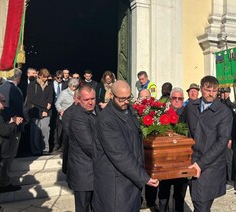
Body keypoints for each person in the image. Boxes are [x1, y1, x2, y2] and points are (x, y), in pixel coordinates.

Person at [93, 80, 159, 211]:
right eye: (122, 99)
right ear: (112, 96)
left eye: (128, 97)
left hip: (130, 179)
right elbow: (120, 155)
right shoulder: (107, 120)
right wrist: (143, 177)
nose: (126, 102)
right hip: (117, 185)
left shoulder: (129, 110)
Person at [184, 76, 233, 212]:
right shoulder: (190, 107)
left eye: (214, 90)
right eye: (208, 89)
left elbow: (222, 141)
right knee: (198, 202)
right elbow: (181, 127)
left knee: (201, 203)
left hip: (210, 166)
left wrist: (201, 164)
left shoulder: (224, 112)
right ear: (201, 89)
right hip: (191, 161)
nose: (211, 93)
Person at [157, 87, 189, 212]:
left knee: (179, 194)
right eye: (174, 98)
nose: (176, 101)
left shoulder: (188, 113)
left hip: (181, 160)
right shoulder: (162, 114)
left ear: (183, 100)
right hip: (166, 160)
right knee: (164, 193)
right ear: (170, 99)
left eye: (179, 98)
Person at [68, 85, 98, 212]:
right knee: (83, 207)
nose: (90, 102)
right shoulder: (78, 117)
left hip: (95, 171)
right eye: (86, 99)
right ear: (79, 100)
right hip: (84, 173)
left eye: (93, 98)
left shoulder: (95, 111)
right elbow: (90, 146)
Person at [0, 68, 24, 193]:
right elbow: (19, 110)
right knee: (9, 154)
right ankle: (4, 182)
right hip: (13, 126)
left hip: (0, 125)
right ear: (18, 78)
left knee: (1, 154)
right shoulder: (16, 90)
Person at [25, 68, 54, 156]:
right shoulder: (32, 85)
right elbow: (32, 99)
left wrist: (45, 110)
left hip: (46, 112)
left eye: (47, 77)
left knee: (45, 130)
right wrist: (44, 106)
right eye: (44, 77)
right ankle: (36, 150)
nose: (45, 79)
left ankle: (45, 149)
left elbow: (50, 98)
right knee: (35, 132)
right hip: (35, 111)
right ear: (40, 76)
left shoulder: (49, 85)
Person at [54, 78, 79, 152]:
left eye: (76, 86)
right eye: (73, 86)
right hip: (66, 116)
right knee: (66, 133)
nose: (74, 88)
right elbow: (57, 103)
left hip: (76, 116)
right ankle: (64, 147)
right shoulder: (64, 93)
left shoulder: (78, 92)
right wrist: (61, 110)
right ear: (70, 85)